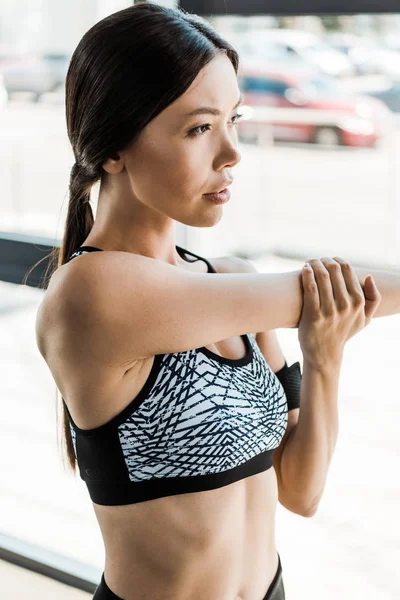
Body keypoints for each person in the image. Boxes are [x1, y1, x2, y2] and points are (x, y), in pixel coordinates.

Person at [34, 4, 382, 599]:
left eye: (234, 119)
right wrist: (318, 315)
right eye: (199, 128)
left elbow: (300, 493)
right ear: (113, 149)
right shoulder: (90, 292)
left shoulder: (229, 280)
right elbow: (329, 291)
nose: (232, 152)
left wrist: (324, 358)